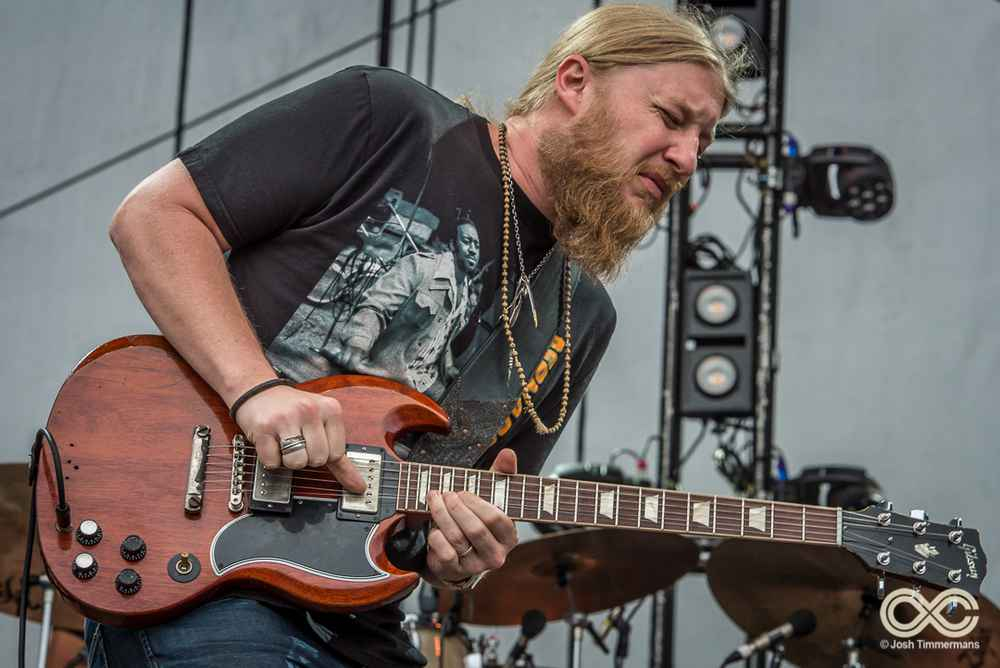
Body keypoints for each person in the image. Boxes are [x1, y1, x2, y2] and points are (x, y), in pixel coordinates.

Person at [91, 4, 742, 667]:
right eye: (671, 117)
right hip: (196, 564)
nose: (688, 157)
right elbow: (155, 216)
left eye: (704, 141)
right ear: (575, 82)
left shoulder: (582, 316)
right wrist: (255, 389)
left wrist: (459, 555)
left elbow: (445, 521)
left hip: (358, 624)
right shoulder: (390, 119)